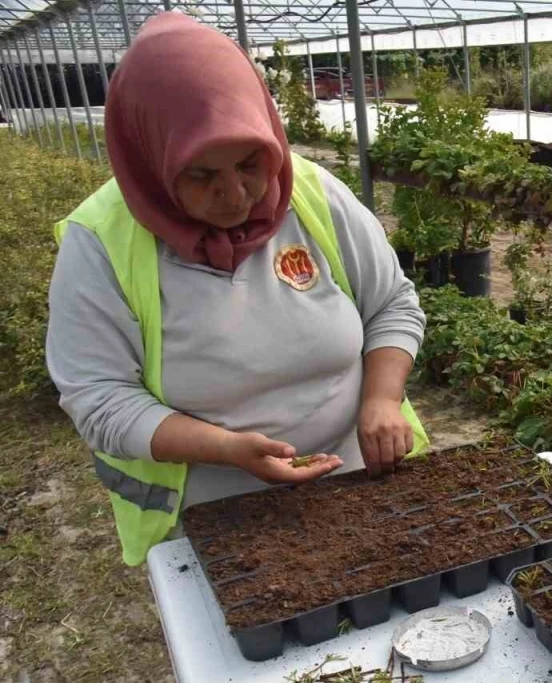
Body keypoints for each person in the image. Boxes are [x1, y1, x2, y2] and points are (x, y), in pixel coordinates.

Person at [45, 12, 428, 567]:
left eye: (252, 163)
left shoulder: (313, 194)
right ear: (151, 158)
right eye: (201, 175)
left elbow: (391, 303)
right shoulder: (102, 242)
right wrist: (227, 450)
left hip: (360, 483)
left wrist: (381, 399)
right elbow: (98, 397)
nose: (236, 195)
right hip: (216, 520)